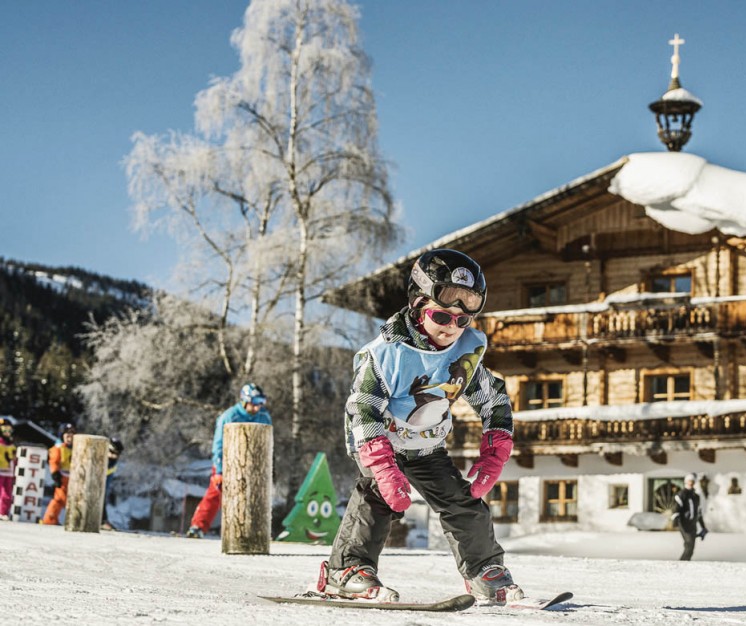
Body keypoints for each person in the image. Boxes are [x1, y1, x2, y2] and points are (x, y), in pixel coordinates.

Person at [316, 249, 520, 604]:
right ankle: (347, 570)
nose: (451, 328)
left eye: (462, 321)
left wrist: (495, 451)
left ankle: (483, 570)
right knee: (380, 497)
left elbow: (494, 399)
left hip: (426, 447)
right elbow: (363, 411)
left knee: (462, 500)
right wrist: (382, 466)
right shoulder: (385, 354)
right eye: (442, 315)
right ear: (416, 305)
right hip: (380, 444)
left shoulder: (465, 354)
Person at [186, 383, 272, 538]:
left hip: (251, 465)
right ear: (245, 401)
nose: (257, 408)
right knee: (215, 493)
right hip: (228, 463)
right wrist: (219, 470)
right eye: (254, 403)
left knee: (252, 497)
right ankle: (198, 526)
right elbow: (218, 444)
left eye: (260, 403)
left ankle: (252, 531)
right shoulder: (230, 416)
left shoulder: (263, 417)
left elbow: (267, 442)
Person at [42, 423, 76, 525]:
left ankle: (52, 518)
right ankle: (50, 519)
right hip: (62, 477)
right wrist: (55, 474)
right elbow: (54, 461)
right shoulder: (58, 448)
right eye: (67, 436)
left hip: (73, 478)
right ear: (62, 436)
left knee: (64, 499)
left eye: (72, 436)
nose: (69, 439)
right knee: (61, 499)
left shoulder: (75, 448)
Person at [672, 473, 708, 561]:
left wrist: (703, 527)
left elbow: (698, 512)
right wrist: (675, 520)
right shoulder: (681, 494)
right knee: (689, 544)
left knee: (691, 547)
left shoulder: (696, 496)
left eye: (692, 481)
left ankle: (685, 563)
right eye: (689, 481)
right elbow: (676, 508)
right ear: (685, 482)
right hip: (684, 523)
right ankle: (682, 564)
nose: (691, 483)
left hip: (693, 524)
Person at [101, 437, 124, 530]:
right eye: (110, 451)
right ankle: (102, 520)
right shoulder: (102, 454)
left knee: (102, 497)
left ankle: (102, 520)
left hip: (105, 478)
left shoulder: (111, 462)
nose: (112, 455)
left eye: (115, 453)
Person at [0, 418, 16, 520]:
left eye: (9, 430)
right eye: (5, 430)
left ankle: (3, 512)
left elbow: (14, 459)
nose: (7, 433)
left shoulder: (12, 445)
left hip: (8, 473)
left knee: (7, 494)